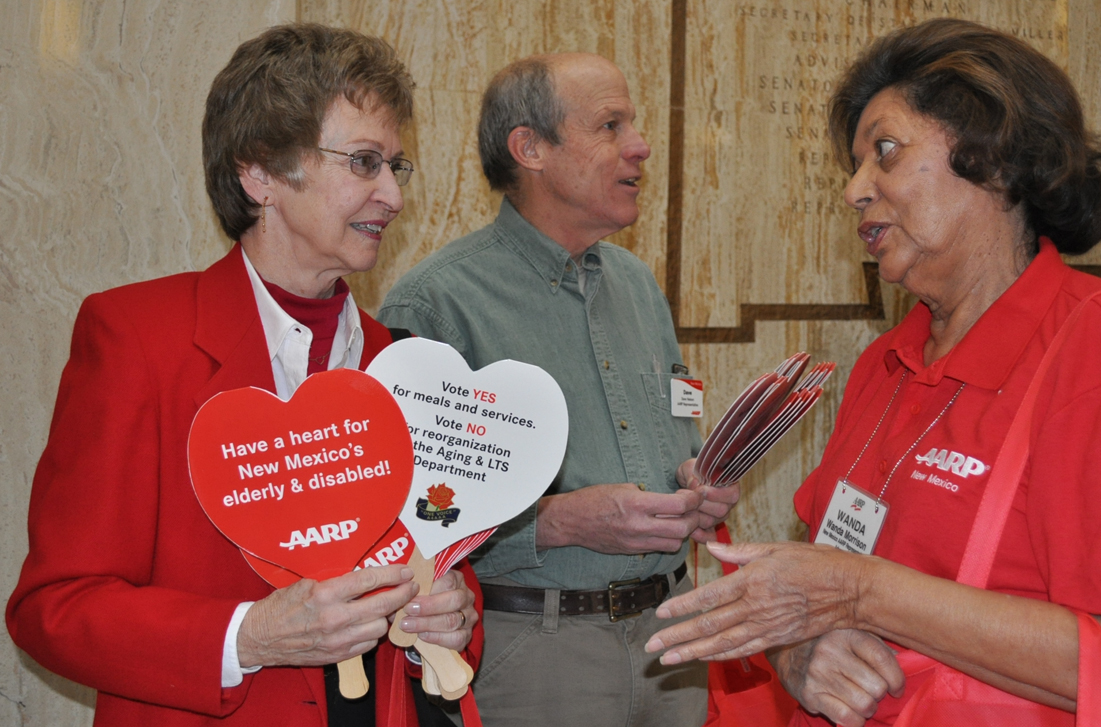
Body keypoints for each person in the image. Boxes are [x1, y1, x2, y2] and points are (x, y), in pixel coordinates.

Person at [644, 18, 1101, 727]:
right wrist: (800, 649)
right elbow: (824, 584)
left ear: (993, 158)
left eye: (884, 151)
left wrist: (866, 594)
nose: (853, 190)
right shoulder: (884, 364)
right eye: (854, 165)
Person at [7, 24, 482, 727]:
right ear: (259, 172)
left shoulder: (400, 360)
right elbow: (56, 608)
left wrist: (453, 614)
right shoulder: (138, 339)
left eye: (396, 166)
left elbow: (444, 562)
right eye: (363, 162)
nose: (393, 195)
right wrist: (249, 635)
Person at [377, 53, 739, 727]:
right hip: (537, 656)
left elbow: (677, 419)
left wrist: (699, 480)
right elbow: (405, 531)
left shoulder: (638, 286)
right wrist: (558, 522)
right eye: (610, 124)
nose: (641, 145)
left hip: (672, 642)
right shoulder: (435, 305)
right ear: (530, 147)